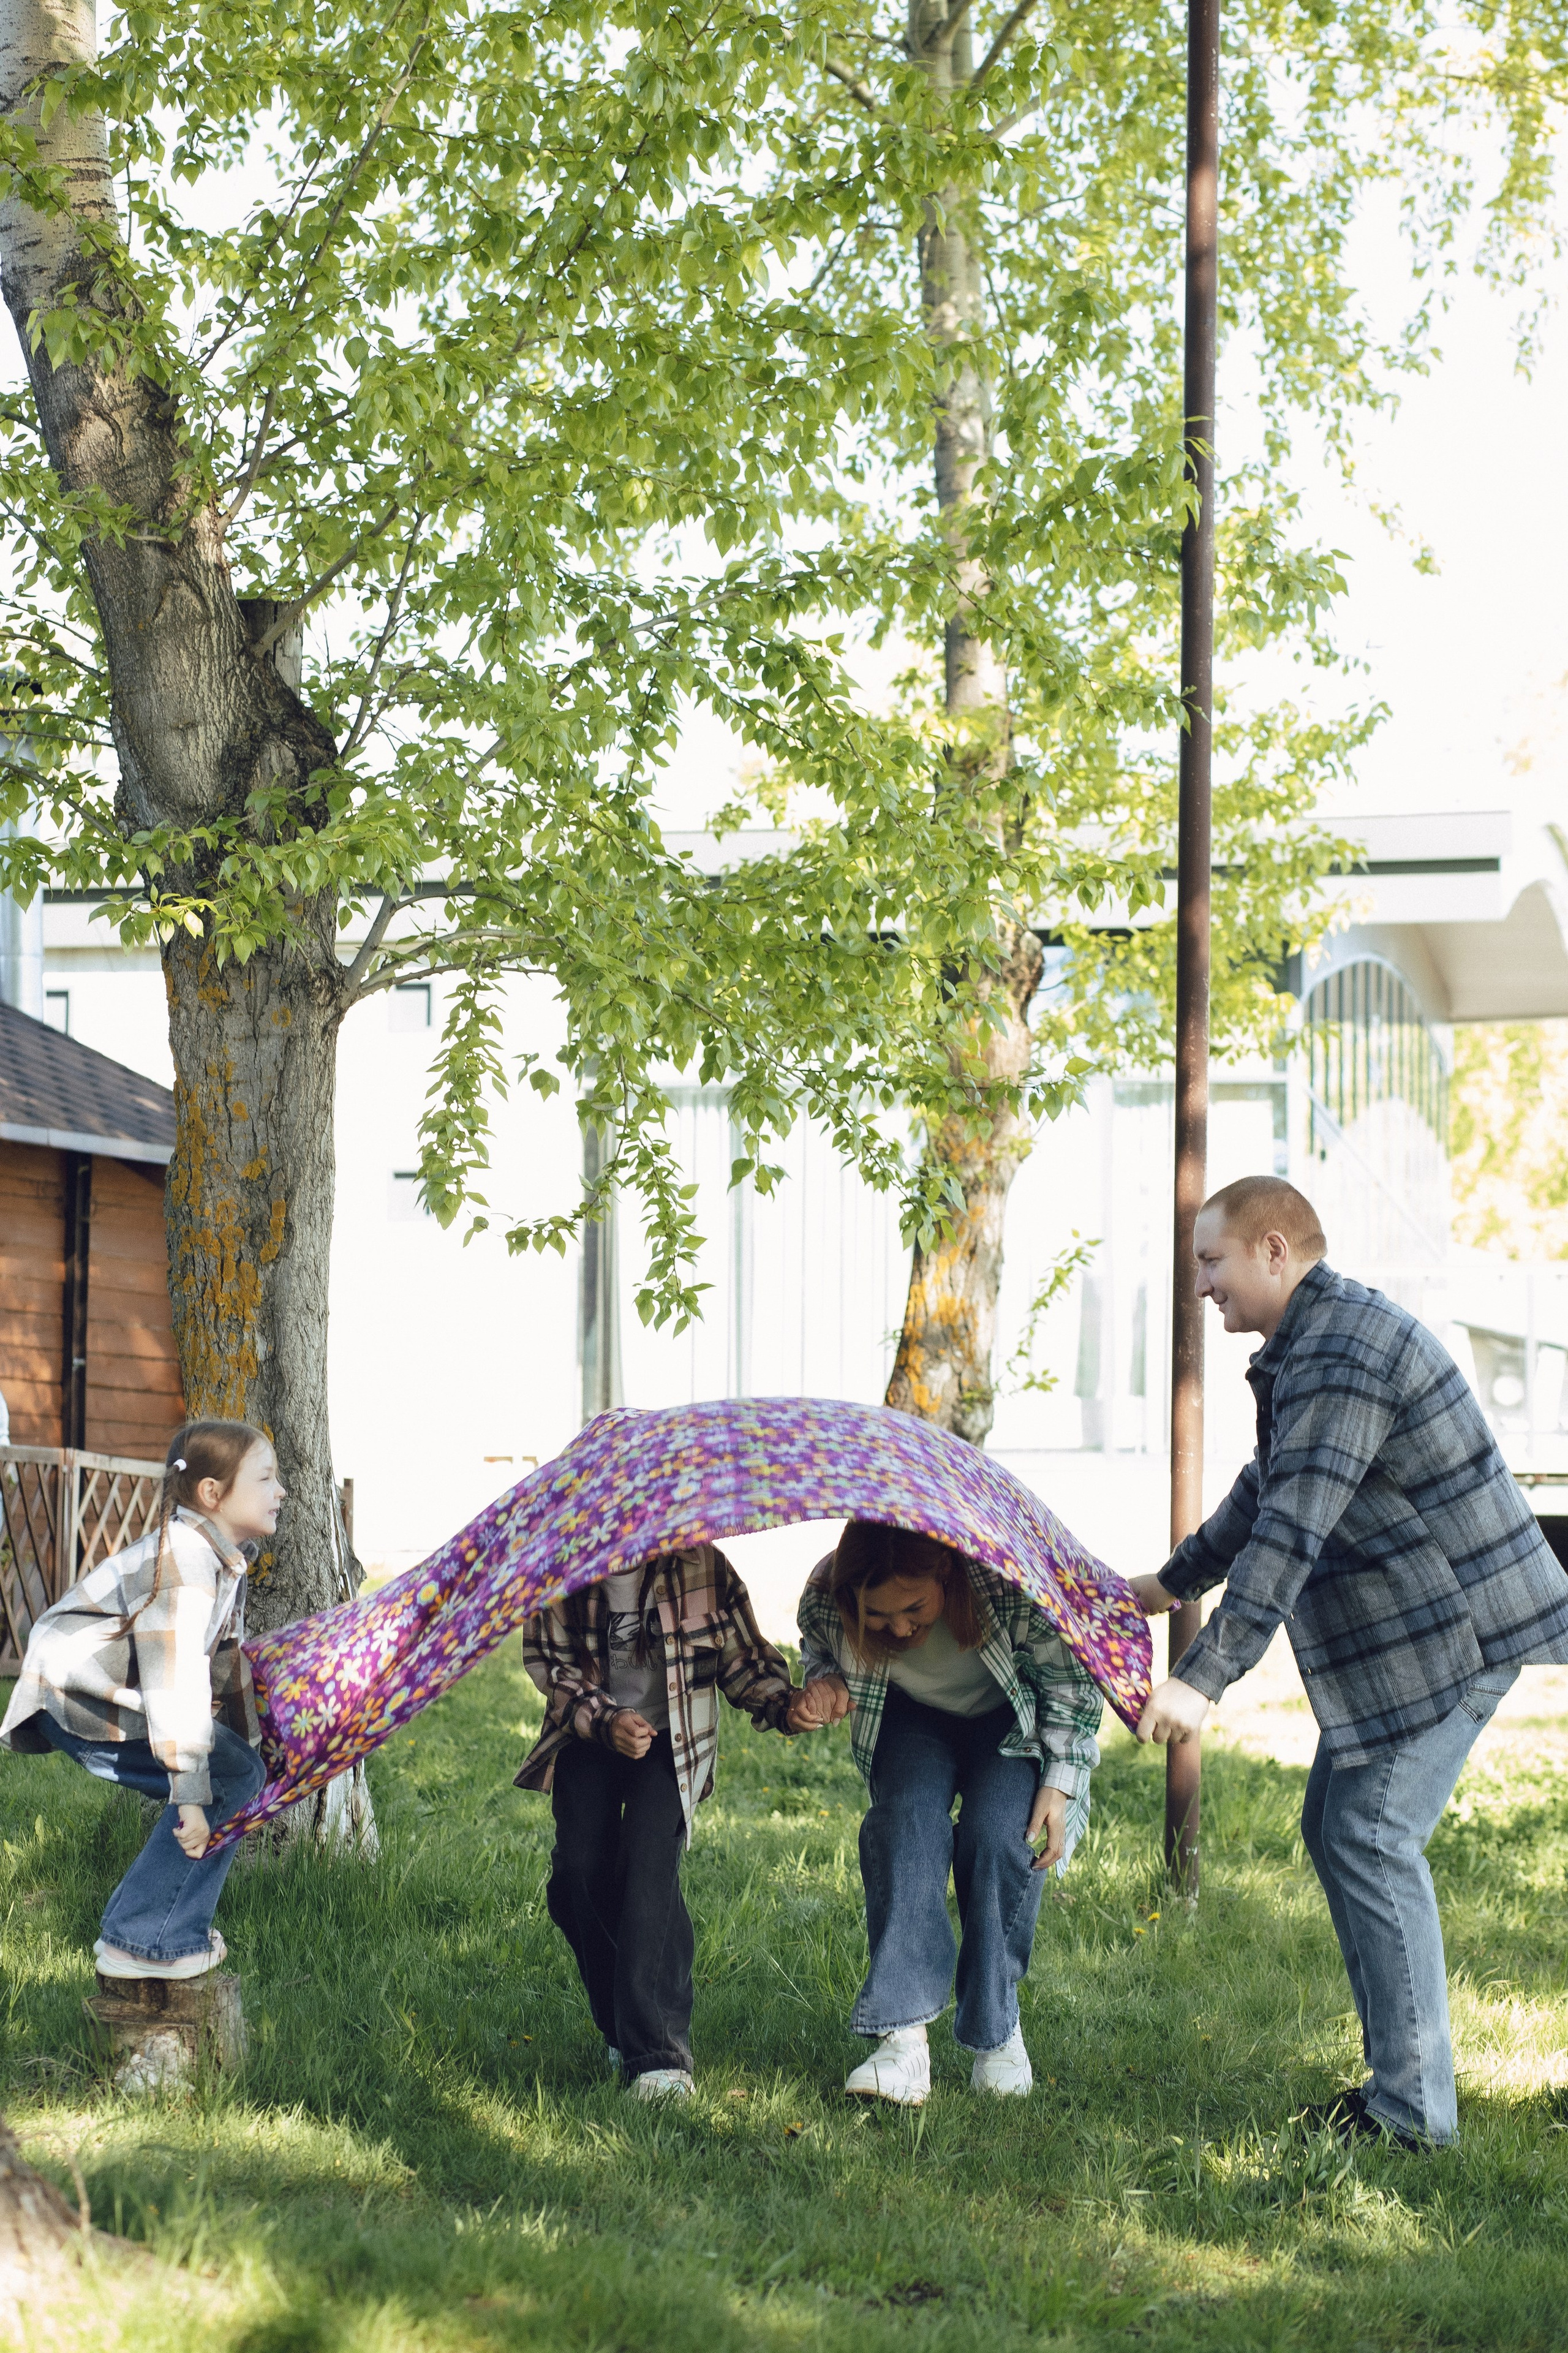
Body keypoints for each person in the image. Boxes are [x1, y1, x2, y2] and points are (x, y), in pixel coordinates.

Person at [1133, 1174, 1568, 2150]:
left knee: (1369, 1834)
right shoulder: (1311, 1342)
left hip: (1461, 1629)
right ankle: (1396, 2087)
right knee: (1340, 1827)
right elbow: (1266, 1488)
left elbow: (1290, 1531)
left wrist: (1202, 1678)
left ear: (1275, 1251)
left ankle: (1412, 2116)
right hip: (1423, 1628)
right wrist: (1167, 1584)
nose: (1201, 1284)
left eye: (1213, 1261)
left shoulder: (1342, 1351)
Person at [793, 1520, 1102, 2106]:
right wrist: (827, 1683)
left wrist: (1060, 1783)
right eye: (878, 1617)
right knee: (905, 1824)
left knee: (999, 1836)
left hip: (1009, 1720)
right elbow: (818, 1651)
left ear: (945, 1571)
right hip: (910, 1717)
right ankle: (903, 2038)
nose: (901, 1628)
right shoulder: (824, 1592)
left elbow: (1070, 1682)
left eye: (914, 1608)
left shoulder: (1005, 1582)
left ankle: (996, 2029)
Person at [518, 1542, 815, 2102]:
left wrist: (784, 1704)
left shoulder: (702, 1566)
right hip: (590, 1734)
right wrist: (608, 1720)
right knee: (578, 1872)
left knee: (649, 1867)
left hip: (673, 1742)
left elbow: (742, 1659)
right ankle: (618, 2019)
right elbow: (552, 1668)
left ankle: (658, 2055)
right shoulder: (562, 1570)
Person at [1, 1421, 279, 1977]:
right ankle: (145, 1937)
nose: (282, 1491)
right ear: (212, 1493)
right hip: (75, 1693)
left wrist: (257, 1746)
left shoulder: (220, 1559)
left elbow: (222, 1663)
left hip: (104, 1689)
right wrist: (193, 1795)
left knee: (238, 1770)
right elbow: (175, 1685)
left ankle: (151, 1928)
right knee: (224, 1780)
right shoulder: (186, 1568)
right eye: (267, 1477)